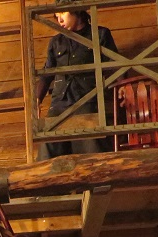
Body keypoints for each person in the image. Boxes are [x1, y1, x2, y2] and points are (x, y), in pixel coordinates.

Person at [36, 1, 118, 160]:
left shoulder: (100, 34)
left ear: (76, 11)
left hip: (87, 98)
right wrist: (37, 98)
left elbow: (114, 64)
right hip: (60, 102)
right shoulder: (56, 42)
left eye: (63, 13)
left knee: (90, 142)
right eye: (56, 16)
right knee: (48, 145)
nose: (59, 20)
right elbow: (47, 74)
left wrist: (123, 86)